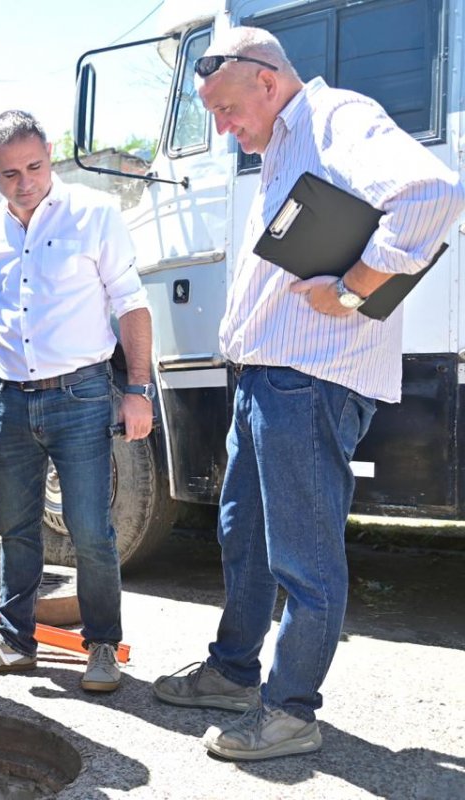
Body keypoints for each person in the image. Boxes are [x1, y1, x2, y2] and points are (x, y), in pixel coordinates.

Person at [152, 27, 465, 761]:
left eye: (226, 110)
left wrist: (356, 290)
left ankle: (291, 713)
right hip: (269, 376)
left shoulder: (337, 119)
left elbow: (433, 193)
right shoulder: (285, 144)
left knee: (304, 557)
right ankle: (234, 673)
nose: (223, 129)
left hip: (311, 379)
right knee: (245, 539)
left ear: (265, 79)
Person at [0, 110, 153, 694]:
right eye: (10, 173)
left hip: (81, 394)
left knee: (90, 529)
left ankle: (102, 645)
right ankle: (13, 642)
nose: (25, 182)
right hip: (6, 398)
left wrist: (137, 390)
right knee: (14, 527)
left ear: (50, 155)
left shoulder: (94, 215)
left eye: (34, 167)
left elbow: (132, 304)